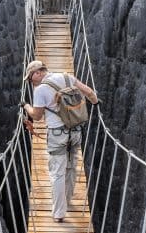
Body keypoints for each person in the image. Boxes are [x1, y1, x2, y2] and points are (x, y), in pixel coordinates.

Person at [22, 60, 99, 222]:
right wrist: (96, 103)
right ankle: (68, 201)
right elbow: (89, 92)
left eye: (30, 79)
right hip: (76, 131)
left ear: (37, 73)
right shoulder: (66, 77)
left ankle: (59, 213)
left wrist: (26, 106)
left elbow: (37, 116)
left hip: (57, 134)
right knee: (71, 167)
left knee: (57, 172)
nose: (30, 83)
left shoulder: (40, 90)